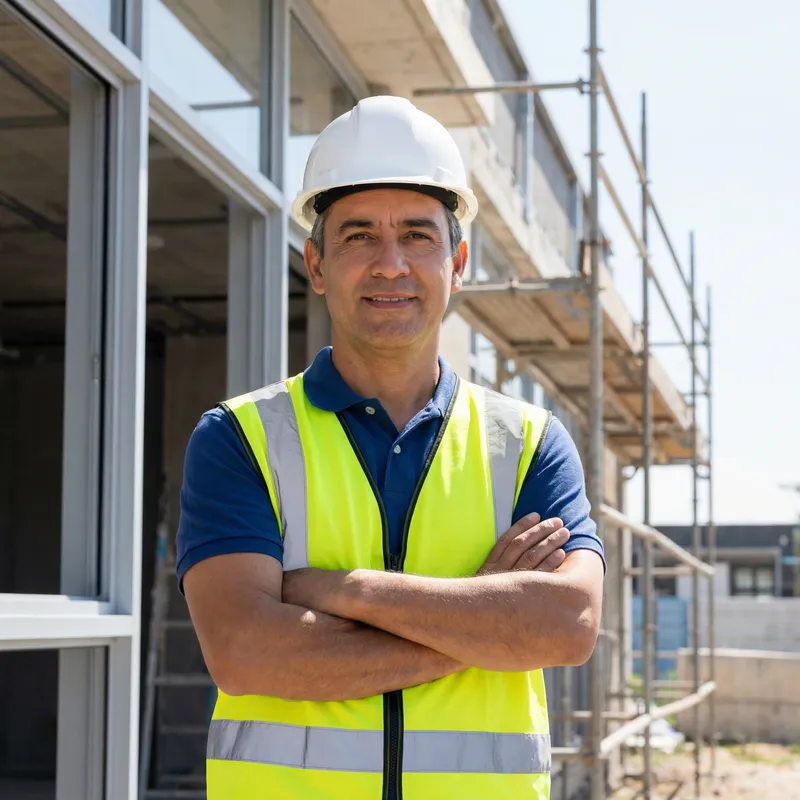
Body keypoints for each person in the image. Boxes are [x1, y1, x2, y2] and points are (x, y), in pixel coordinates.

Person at [177, 96, 605, 800]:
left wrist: (342, 589)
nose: (390, 263)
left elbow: (566, 624)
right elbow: (247, 653)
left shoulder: (530, 443)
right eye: (358, 237)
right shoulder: (239, 439)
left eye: (416, 235)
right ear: (316, 264)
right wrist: (486, 623)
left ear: (457, 262)